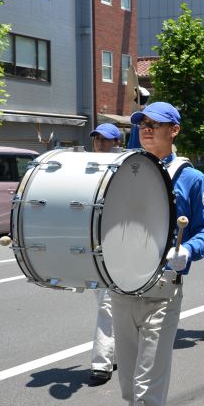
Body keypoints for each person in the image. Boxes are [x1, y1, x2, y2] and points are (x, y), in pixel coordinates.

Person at [110, 102, 204, 406]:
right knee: (129, 387)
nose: (146, 129)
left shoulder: (192, 178)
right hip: (121, 286)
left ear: (174, 130)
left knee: (147, 392)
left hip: (162, 289)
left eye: (154, 124)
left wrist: (188, 249)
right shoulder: (123, 171)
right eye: (142, 124)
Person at [88, 123, 122, 385]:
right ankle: (116, 354)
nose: (99, 143)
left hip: (119, 244)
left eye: (105, 139)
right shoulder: (86, 168)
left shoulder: (126, 168)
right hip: (94, 244)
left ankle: (101, 362)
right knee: (109, 302)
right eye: (96, 138)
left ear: (116, 142)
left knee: (108, 305)